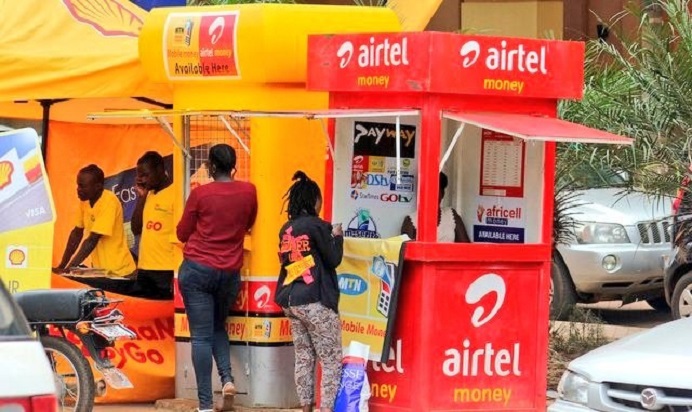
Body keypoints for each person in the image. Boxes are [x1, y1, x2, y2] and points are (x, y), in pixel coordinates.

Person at [176, 144, 257, 412]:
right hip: (230, 273)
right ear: (234, 165)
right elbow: (248, 224)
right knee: (217, 326)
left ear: (211, 166)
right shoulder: (249, 191)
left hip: (198, 271)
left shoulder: (200, 194)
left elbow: (182, 232)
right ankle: (227, 379)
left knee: (201, 337)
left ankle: (205, 405)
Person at [275, 171, 344, 412]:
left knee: (304, 357)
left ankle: (306, 407)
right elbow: (333, 259)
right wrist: (337, 237)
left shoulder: (286, 229)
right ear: (314, 200)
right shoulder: (318, 226)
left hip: (291, 301)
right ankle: (325, 409)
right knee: (331, 360)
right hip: (315, 300)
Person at [53, 164, 137, 282]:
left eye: (82, 186)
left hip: (120, 272)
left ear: (98, 187)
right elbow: (76, 235)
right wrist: (62, 266)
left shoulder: (109, 202)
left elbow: (92, 240)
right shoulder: (85, 201)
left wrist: (70, 269)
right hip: (101, 272)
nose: (78, 189)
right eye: (78, 185)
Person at [131, 151, 175, 300]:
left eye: (145, 175)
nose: (141, 179)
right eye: (139, 176)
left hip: (166, 271)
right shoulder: (148, 194)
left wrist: (177, 272)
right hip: (144, 269)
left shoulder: (176, 194)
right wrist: (142, 197)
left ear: (160, 170)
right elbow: (136, 228)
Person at [401, 171, 470, 242]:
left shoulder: (451, 215)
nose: (431, 195)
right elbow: (405, 248)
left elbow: (466, 246)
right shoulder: (411, 221)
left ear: (442, 193)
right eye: (428, 190)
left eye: (435, 190)